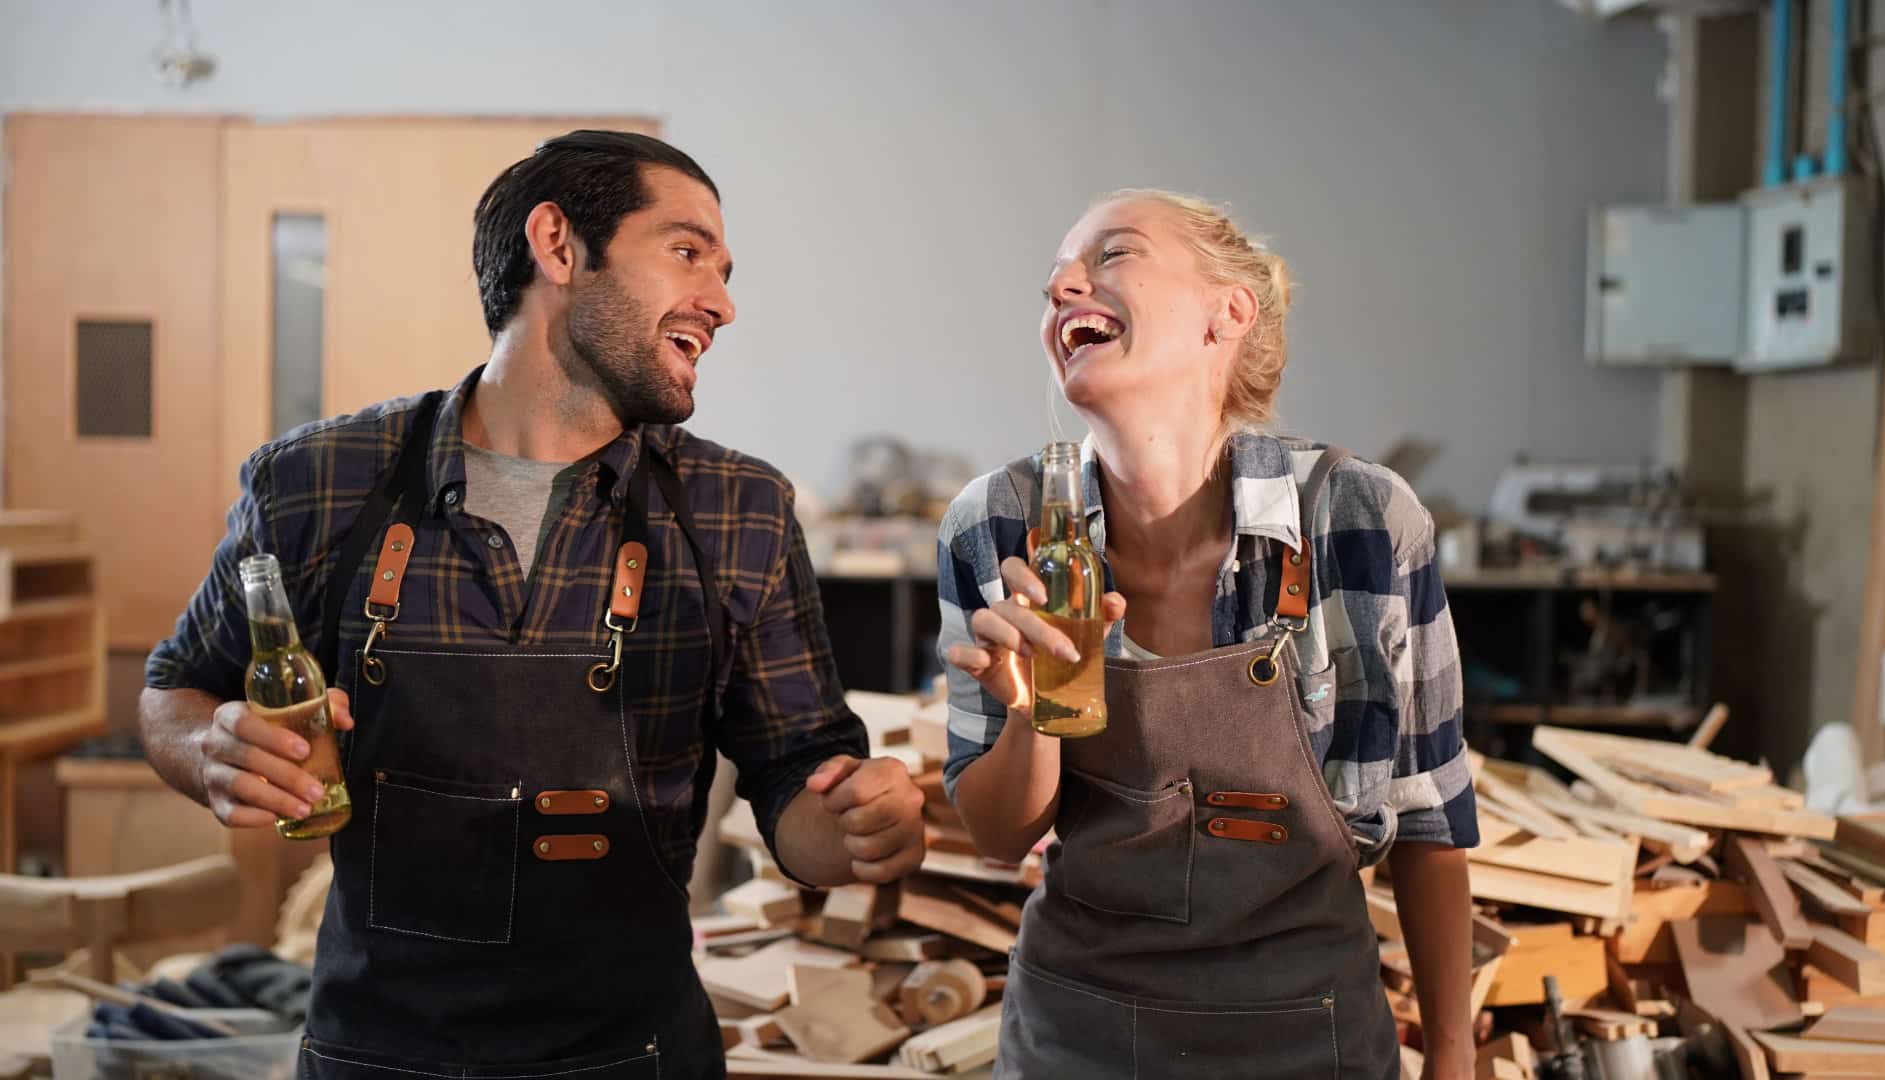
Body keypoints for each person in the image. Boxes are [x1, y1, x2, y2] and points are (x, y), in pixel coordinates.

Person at [139, 129, 926, 1080]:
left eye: (722, 270)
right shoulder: (317, 481)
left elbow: (797, 775)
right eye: (686, 253)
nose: (720, 302)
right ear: (557, 245)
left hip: (634, 1056)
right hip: (376, 1054)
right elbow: (175, 687)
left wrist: (852, 831)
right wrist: (210, 749)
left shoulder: (738, 508)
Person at [938, 189, 1477, 1079]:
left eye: (1112, 256)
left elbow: (1430, 816)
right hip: (1080, 1037)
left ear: (1228, 312)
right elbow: (999, 835)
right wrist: (1034, 710)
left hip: (1311, 1037)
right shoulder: (998, 524)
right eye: (1054, 282)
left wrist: (1455, 1060)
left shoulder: (1362, 517)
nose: (1064, 286)